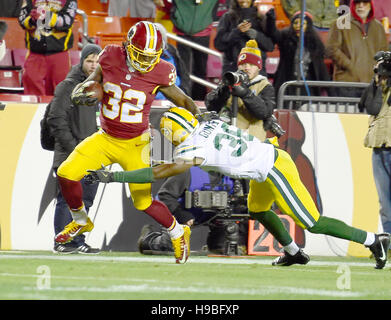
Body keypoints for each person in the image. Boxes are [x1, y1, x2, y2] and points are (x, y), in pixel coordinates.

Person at [86, 107, 391, 269]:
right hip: (263, 166)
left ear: (173, 134)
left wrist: (112, 178)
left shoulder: (193, 147)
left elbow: (157, 173)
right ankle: (293, 252)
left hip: (273, 167)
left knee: (311, 222)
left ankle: (372, 240)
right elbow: (197, 113)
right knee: (258, 209)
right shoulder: (209, 122)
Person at [54, 21, 202, 264]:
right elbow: (94, 79)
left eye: (151, 56)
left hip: (136, 143)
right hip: (106, 137)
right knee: (66, 173)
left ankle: (178, 232)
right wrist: (85, 89)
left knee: (142, 201)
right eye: (141, 55)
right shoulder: (111, 55)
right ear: (128, 46)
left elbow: (183, 100)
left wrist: (200, 116)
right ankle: (80, 220)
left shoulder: (161, 70)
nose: (145, 61)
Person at [47, 44, 102, 254]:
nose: (93, 65)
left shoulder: (102, 88)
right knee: (67, 199)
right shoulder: (67, 86)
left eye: (97, 62)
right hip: (71, 154)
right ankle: (62, 240)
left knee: (85, 200)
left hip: (94, 155)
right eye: (89, 61)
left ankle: (78, 240)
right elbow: (56, 119)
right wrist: (75, 149)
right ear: (81, 61)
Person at [138, 167, 249, 255]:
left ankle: (215, 244)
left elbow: (241, 202)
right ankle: (149, 237)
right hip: (180, 214)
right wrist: (180, 213)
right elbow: (164, 196)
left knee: (224, 247)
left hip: (216, 217)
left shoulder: (235, 176)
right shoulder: (186, 170)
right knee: (169, 246)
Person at [205, 39, 277, 141]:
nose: (246, 68)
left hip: (251, 140)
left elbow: (265, 112)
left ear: (258, 67)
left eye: (251, 65)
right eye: (243, 64)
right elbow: (211, 106)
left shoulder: (264, 85)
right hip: (226, 138)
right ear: (238, 65)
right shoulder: (230, 80)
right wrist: (224, 90)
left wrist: (245, 94)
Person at [153, 0, 219, 101]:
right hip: (182, 33)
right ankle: (184, 100)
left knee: (200, 71)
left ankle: (199, 102)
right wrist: (176, 16)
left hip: (203, 33)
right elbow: (165, 4)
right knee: (183, 70)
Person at [265, 9, 332, 101]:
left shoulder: (315, 44)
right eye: (295, 23)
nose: (298, 26)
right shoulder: (285, 38)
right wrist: (270, 20)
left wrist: (331, 92)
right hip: (287, 85)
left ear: (308, 26)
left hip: (308, 88)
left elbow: (321, 69)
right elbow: (273, 33)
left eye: (302, 24)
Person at [359, 50, 391, 242]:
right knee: (385, 203)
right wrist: (377, 81)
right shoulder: (377, 86)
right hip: (378, 146)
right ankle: (387, 242)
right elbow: (370, 107)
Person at [326, 0, 389, 97]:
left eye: (365, 3)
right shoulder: (341, 22)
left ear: (370, 5)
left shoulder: (378, 27)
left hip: (372, 84)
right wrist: (350, 66)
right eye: (358, 3)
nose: (361, 6)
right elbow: (332, 49)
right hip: (346, 84)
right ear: (352, 4)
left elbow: (383, 53)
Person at [18, 0, 77, 96]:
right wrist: (32, 20)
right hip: (35, 54)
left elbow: (67, 21)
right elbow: (22, 20)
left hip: (59, 54)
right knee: (32, 92)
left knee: (61, 93)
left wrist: (46, 16)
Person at [214, 0, 274, 76]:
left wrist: (256, 35)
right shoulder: (227, 17)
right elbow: (219, 44)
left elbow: (270, 46)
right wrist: (237, 32)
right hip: (233, 70)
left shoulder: (261, 18)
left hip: (257, 71)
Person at [154, 23, 191, 100]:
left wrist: (183, 94)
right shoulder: (141, 58)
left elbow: (184, 75)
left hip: (175, 97)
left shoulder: (171, 50)